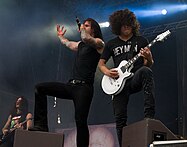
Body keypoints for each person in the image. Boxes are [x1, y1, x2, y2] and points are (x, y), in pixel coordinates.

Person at [29, 18, 104, 147]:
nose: (83, 27)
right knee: (39, 88)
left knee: (80, 121)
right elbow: (67, 43)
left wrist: (82, 31)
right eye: (83, 25)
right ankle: (41, 125)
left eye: (87, 26)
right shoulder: (80, 45)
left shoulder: (99, 43)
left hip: (84, 88)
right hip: (71, 86)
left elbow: (87, 39)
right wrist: (60, 37)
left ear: (94, 29)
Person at [98, 9, 155, 146]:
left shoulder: (141, 40)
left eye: (129, 23)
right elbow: (101, 64)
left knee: (146, 71)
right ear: (118, 26)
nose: (126, 26)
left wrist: (148, 57)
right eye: (123, 24)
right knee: (120, 118)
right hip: (118, 83)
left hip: (134, 77)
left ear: (133, 24)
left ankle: (149, 116)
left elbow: (149, 64)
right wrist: (107, 72)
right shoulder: (111, 44)